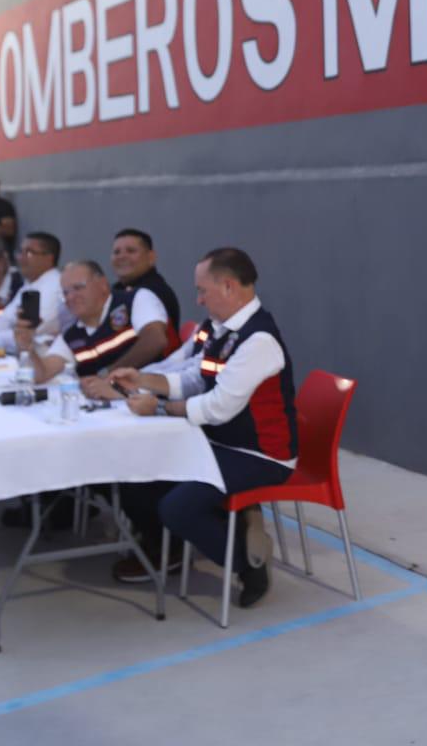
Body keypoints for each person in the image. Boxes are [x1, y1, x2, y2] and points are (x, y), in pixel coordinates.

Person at [108, 248, 295, 607]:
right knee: (138, 479)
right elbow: (195, 377)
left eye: (202, 291)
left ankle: (248, 562)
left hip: (259, 455)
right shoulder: (220, 329)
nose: (198, 299)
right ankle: (180, 546)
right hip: (220, 442)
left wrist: (158, 407)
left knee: (178, 507)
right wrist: (143, 378)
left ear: (227, 287)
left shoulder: (258, 341)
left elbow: (217, 407)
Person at [13, 260, 168, 386]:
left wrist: (108, 376)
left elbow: (155, 340)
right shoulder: (72, 334)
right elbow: (42, 374)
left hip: (151, 399)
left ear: (102, 284)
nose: (71, 297)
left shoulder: (135, 299)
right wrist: (27, 348)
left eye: (78, 288)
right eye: (65, 292)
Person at [108, 228, 182, 357]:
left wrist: (107, 373)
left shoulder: (154, 292)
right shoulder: (115, 291)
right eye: (116, 252)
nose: (122, 256)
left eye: (131, 251)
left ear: (151, 257)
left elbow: (154, 343)